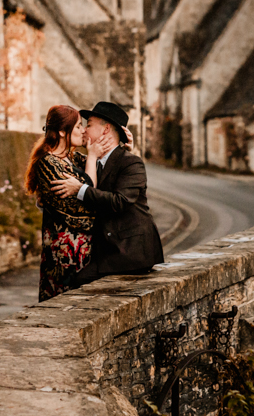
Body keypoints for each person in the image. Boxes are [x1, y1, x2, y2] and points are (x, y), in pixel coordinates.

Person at [51, 101, 164, 282]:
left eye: (89, 125)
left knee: (77, 284)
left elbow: (119, 201)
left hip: (130, 251)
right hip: (106, 250)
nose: (84, 130)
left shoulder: (131, 163)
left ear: (105, 130)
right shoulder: (93, 162)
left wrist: (80, 189)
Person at [25, 105, 108, 301]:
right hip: (63, 257)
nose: (83, 130)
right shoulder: (49, 163)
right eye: (78, 126)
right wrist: (92, 160)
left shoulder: (71, 159)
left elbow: (102, 172)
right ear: (62, 131)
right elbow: (85, 202)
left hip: (83, 253)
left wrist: (122, 146)